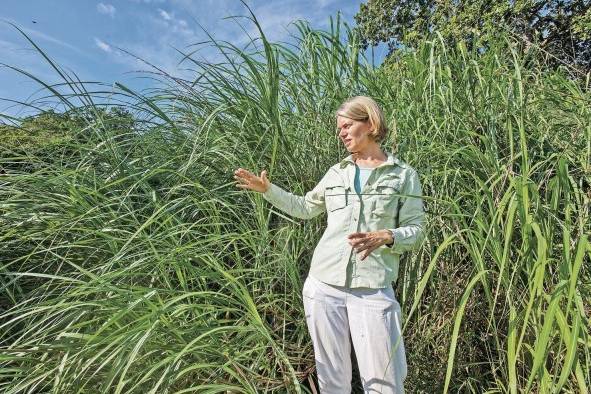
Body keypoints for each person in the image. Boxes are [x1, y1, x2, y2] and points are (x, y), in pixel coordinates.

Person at [233, 96, 426, 393]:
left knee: (385, 381)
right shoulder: (337, 172)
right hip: (324, 285)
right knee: (332, 379)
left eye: (347, 125)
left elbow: (417, 230)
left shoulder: (403, 175)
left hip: (372, 288)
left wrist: (388, 236)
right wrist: (268, 190)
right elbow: (305, 207)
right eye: (339, 128)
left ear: (370, 124)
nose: (342, 133)